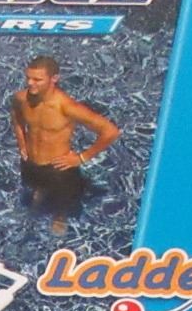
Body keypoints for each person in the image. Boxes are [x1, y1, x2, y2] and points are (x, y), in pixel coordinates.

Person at [9, 55, 121, 234]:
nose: (30, 83)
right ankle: (40, 193)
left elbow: (111, 131)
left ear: (54, 78)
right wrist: (22, 143)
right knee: (35, 186)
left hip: (58, 166)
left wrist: (82, 157)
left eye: (37, 79)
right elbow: (16, 118)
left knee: (63, 199)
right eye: (28, 78)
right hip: (30, 160)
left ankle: (60, 217)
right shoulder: (21, 98)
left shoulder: (66, 107)